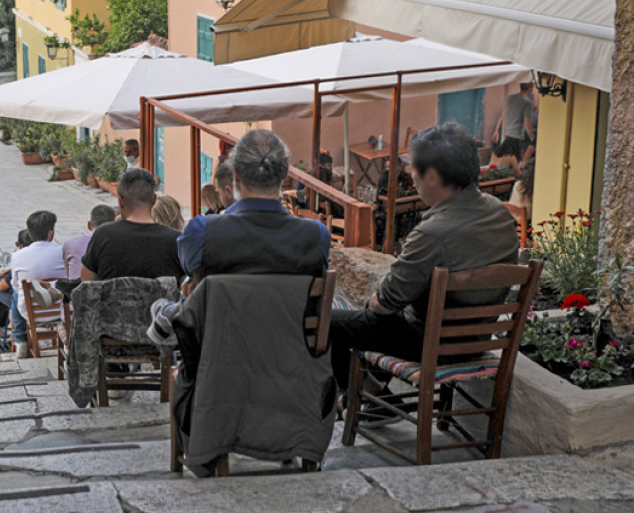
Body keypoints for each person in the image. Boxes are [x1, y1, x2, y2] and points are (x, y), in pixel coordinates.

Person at [329, 123, 519, 394]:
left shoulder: (431, 234)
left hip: (428, 344)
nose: (411, 178)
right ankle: (373, 394)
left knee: (329, 321)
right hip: (476, 339)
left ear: (431, 176)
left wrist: (374, 301)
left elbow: (384, 304)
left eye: (413, 172)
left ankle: (375, 399)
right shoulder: (500, 213)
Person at [178, 129, 331, 283]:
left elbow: (187, 270)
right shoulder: (317, 236)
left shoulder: (201, 233)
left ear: (235, 174)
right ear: (285, 172)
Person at [81, 168, 185, 282]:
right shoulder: (176, 240)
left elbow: (87, 284)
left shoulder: (103, 235)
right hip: (161, 300)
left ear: (120, 201)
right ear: (154, 200)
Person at [8, 211, 67, 358]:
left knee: (16, 293)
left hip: (31, 312)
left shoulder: (17, 256)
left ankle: (20, 341)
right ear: (50, 232)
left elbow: (15, 285)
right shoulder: (64, 251)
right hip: (60, 310)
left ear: (30, 233)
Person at [62, 205, 117, 279]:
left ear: (89, 225)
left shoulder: (70, 243)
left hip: (74, 288)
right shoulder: (118, 244)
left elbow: (68, 275)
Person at [492, 82, 536, 162]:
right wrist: (533, 139)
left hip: (507, 133)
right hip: (518, 136)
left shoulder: (510, 98)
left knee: (505, 157)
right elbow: (527, 123)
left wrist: (496, 130)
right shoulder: (527, 103)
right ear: (530, 88)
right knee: (516, 160)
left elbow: (502, 114)